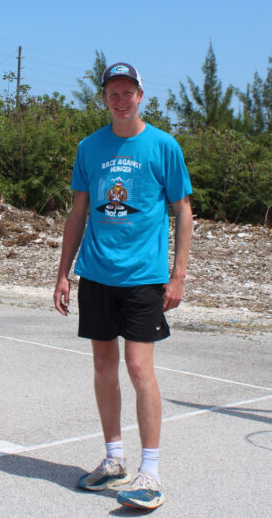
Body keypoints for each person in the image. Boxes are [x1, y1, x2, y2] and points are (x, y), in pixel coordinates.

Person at [53, 62, 192, 511]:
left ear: (140, 94)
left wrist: (178, 275)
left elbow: (182, 211)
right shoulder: (89, 147)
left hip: (143, 278)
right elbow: (78, 214)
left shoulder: (163, 145)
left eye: (127, 91)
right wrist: (63, 273)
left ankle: (149, 473)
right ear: (105, 98)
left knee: (138, 368)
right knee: (102, 366)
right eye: (113, 92)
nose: (120, 99)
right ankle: (113, 457)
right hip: (97, 273)